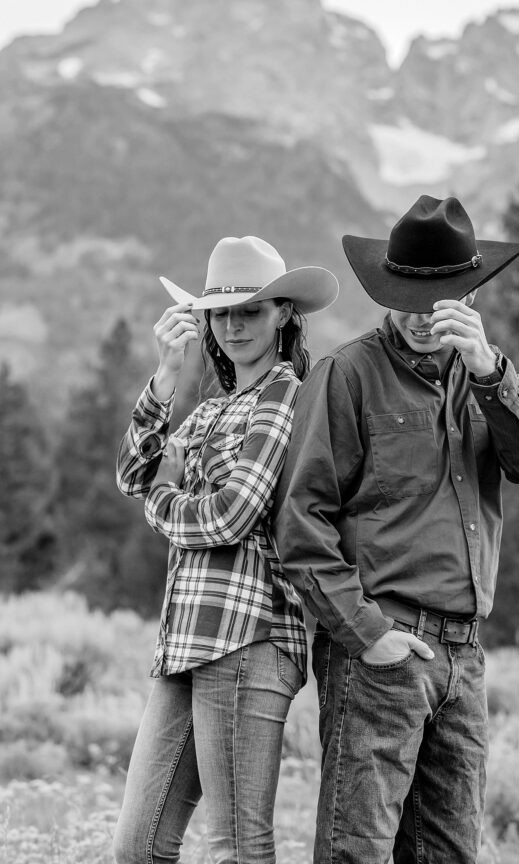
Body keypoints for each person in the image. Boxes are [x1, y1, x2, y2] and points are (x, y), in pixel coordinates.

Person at [272, 194, 519, 864]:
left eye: (436, 299)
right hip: (380, 648)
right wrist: (368, 635)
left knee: (449, 852)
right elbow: (301, 520)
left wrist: (493, 374)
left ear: (466, 295)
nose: (419, 315)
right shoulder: (347, 375)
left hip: (465, 656)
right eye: (405, 295)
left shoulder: (487, 377)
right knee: (359, 852)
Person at [112, 235, 338, 864]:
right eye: (221, 312)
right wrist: (164, 379)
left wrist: (163, 498)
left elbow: (231, 515)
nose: (234, 325)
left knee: (238, 846)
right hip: (187, 639)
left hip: (249, 637)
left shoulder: (285, 397)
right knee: (137, 847)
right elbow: (133, 472)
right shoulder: (212, 408)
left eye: (251, 311)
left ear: (284, 315)